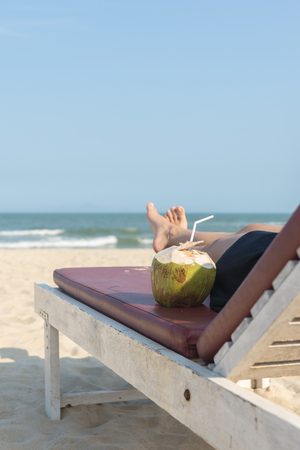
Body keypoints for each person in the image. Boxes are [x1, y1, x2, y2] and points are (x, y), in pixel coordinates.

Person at [146, 202, 284, 311]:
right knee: (254, 230)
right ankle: (175, 234)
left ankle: (174, 237)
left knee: (214, 250)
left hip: (264, 278)